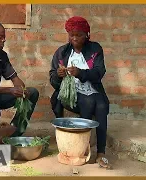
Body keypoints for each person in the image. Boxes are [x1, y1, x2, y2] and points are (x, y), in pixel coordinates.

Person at [49, 16, 111, 169]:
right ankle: (82, 149)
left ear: (87, 35)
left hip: (92, 88)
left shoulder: (95, 49)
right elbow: (52, 78)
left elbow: (99, 72)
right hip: (69, 93)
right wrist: (58, 75)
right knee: (88, 102)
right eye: (72, 35)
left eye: (79, 35)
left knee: (102, 105)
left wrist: (81, 73)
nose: (75, 38)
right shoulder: (62, 52)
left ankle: (101, 153)